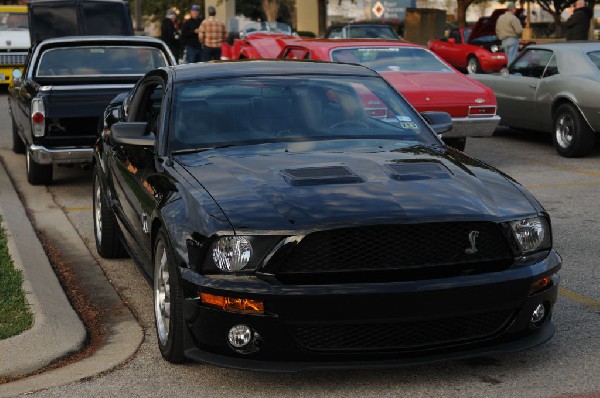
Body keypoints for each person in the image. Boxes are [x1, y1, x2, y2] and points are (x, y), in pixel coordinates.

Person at [495, 2, 523, 67]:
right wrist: (519, 36)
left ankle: (510, 72)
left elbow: (497, 30)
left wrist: (500, 37)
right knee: (512, 59)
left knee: (509, 59)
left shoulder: (500, 18)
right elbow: (519, 30)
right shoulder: (513, 18)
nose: (515, 10)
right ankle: (511, 73)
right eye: (515, 8)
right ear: (513, 9)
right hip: (512, 40)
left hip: (504, 41)